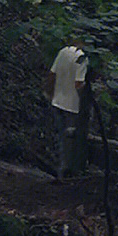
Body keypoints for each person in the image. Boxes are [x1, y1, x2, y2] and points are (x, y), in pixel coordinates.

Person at [45, 42, 89, 180]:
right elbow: (78, 83)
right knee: (70, 138)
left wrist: (49, 92)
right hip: (72, 106)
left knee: (58, 135)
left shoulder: (63, 51)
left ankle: (58, 167)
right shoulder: (83, 58)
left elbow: (52, 73)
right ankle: (65, 171)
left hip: (57, 100)